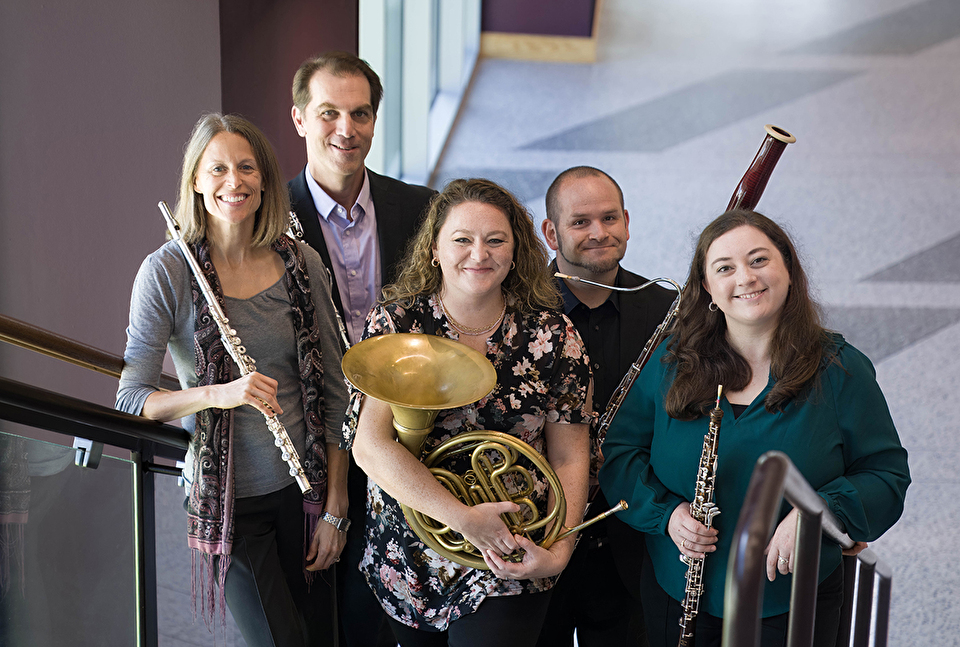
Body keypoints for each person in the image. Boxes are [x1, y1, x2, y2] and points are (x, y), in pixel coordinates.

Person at [598, 209, 911, 646]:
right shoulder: (672, 360)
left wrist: (818, 512)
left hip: (793, 597)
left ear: (787, 267)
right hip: (679, 590)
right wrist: (666, 515)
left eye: (759, 260)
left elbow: (886, 475)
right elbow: (620, 453)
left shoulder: (840, 369)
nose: (745, 278)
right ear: (708, 287)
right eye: (724, 268)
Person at [116, 113, 349, 647]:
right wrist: (218, 395)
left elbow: (336, 390)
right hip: (230, 500)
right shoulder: (167, 272)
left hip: (304, 489)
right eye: (217, 168)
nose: (233, 181)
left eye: (246, 167)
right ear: (195, 181)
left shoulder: (299, 261)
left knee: (319, 637)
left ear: (265, 179)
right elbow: (131, 399)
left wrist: (336, 503)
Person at [344, 178, 593, 646]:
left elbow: (570, 456)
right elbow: (371, 447)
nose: (479, 253)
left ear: (516, 251)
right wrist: (464, 519)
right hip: (412, 552)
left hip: (511, 548)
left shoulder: (555, 335)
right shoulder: (399, 323)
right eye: (462, 239)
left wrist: (558, 551)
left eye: (495, 240)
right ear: (434, 249)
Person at [289, 51, 436, 647]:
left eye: (360, 114)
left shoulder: (422, 208)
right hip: (309, 434)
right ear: (299, 119)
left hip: (405, 431)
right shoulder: (272, 221)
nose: (345, 130)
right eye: (328, 113)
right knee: (321, 611)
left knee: (397, 610)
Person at [537, 167, 676, 647]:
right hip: (540, 531)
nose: (599, 232)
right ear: (550, 233)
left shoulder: (669, 310)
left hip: (631, 538)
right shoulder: (518, 310)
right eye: (580, 222)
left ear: (628, 221)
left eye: (609, 217)